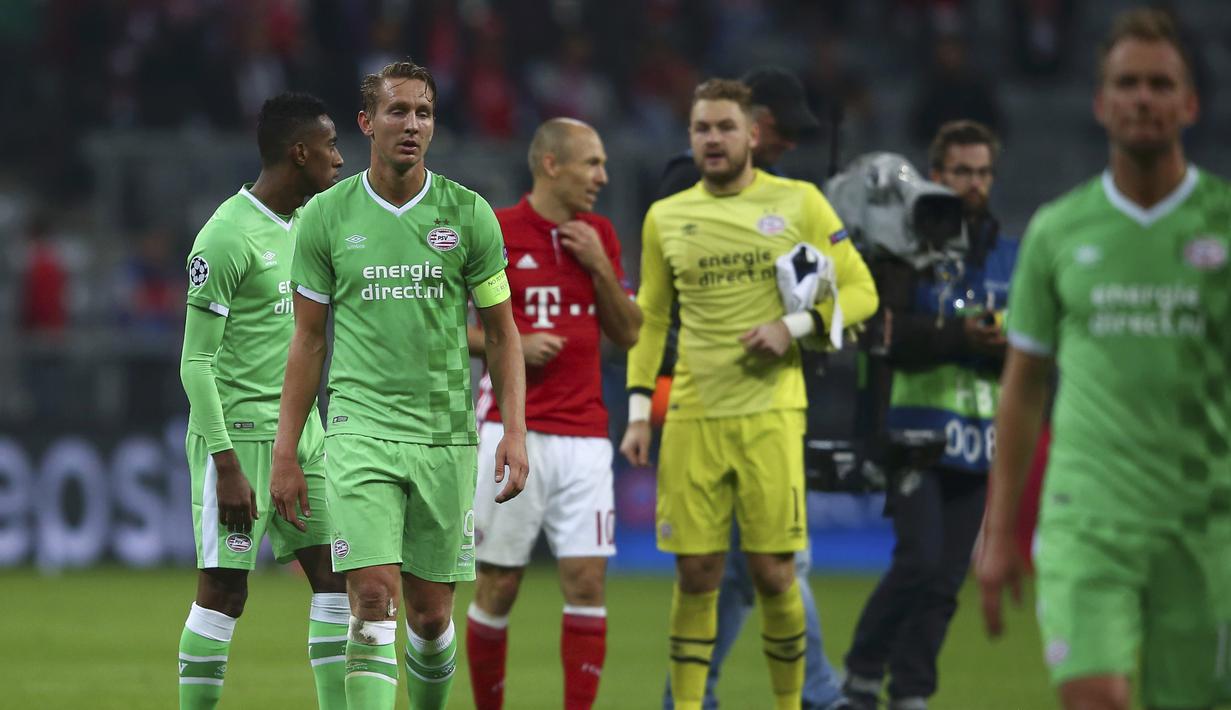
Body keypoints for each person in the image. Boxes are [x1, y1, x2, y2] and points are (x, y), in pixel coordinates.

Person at [978, 9, 1231, 710]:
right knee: (1095, 695)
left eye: (1159, 84)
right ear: (1100, 103)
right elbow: (1023, 387)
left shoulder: (1224, 224)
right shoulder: (1057, 230)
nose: (1142, 98)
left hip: (1206, 521)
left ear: (1189, 104)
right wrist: (999, 531)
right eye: (1126, 83)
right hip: (1086, 516)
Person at [269, 61, 529, 710]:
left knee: (431, 618)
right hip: (359, 430)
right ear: (366, 123)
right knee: (371, 598)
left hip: (444, 434)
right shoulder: (325, 216)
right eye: (398, 111)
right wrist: (285, 450)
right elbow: (308, 340)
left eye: (423, 113)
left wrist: (514, 431)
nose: (412, 124)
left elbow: (502, 335)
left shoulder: (468, 214)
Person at [621, 78, 878, 710]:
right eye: (701, 128)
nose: (713, 139)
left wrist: (793, 326)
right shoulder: (666, 216)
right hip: (693, 416)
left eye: (725, 127)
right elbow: (651, 319)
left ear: (752, 134)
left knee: (773, 572)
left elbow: (862, 292)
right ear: (690, 138)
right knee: (696, 573)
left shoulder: (800, 202)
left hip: (771, 413)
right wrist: (638, 412)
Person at [176, 92, 347, 710]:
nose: (339, 157)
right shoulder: (225, 236)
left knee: (338, 579)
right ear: (299, 153)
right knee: (225, 593)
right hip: (240, 442)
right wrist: (225, 465)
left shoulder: (311, 225)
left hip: (305, 437)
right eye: (330, 145)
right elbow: (195, 363)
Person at [464, 117, 642, 710]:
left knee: (588, 583)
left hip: (586, 435)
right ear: (551, 164)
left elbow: (629, 332)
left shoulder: (599, 234)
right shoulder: (498, 230)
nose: (602, 176)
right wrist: (514, 342)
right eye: (592, 163)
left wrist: (601, 268)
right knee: (499, 584)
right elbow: (446, 328)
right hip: (511, 429)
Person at [839, 120, 1016, 710]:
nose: (973, 183)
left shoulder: (1011, 257)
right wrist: (962, 336)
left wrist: (1004, 344)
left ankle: (911, 692)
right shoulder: (904, 248)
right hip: (911, 430)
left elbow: (1035, 344)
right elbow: (882, 334)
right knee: (918, 561)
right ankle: (863, 672)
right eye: (961, 171)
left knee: (945, 579)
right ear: (936, 175)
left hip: (980, 437)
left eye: (982, 172)